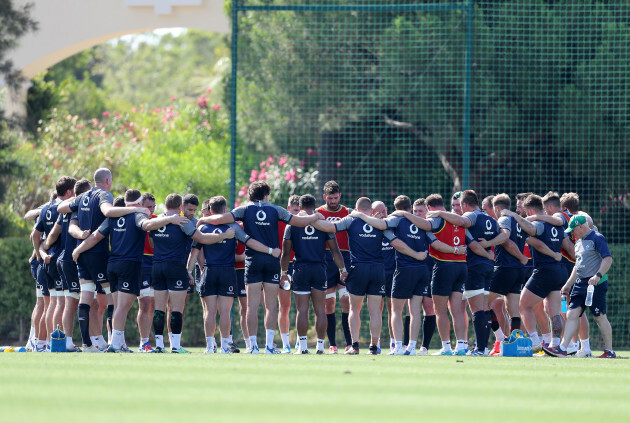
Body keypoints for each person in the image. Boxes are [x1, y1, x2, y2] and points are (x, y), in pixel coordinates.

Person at [196, 181, 321, 354]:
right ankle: (269, 346)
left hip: (252, 260)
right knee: (270, 305)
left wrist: (202, 218)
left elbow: (219, 219)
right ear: (265, 195)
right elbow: (299, 221)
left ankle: (252, 346)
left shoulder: (244, 210)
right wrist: (316, 216)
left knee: (251, 306)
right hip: (271, 260)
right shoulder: (275, 209)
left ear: (251, 194)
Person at [72, 189, 186, 352]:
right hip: (129, 265)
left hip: (113, 265)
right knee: (122, 308)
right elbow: (147, 225)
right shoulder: (137, 215)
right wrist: (170, 219)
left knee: (118, 306)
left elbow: (96, 236)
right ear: (139, 203)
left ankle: (120, 343)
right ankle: (116, 344)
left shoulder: (113, 217)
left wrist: (78, 250)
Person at [57, 168, 149, 352]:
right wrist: (137, 209)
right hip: (97, 253)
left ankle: (88, 344)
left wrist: (79, 245)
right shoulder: (104, 195)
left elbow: (60, 207)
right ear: (107, 180)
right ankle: (115, 341)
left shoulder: (82, 197)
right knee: (113, 297)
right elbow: (107, 212)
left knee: (86, 296)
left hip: (81, 254)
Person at [189, 196, 278, 354]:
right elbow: (249, 241)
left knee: (209, 311)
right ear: (224, 210)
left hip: (209, 270)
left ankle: (210, 347)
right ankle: (224, 346)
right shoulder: (233, 227)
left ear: (210, 211)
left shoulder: (202, 228)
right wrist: (270, 250)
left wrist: (195, 271)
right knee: (225, 312)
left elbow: (195, 252)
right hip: (227, 271)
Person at [313, 197, 394, 355]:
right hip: (378, 269)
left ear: (356, 209)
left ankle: (355, 346)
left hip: (359, 269)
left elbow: (330, 227)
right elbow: (395, 241)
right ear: (370, 210)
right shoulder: (379, 223)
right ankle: (373, 347)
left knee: (354, 309)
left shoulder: (351, 220)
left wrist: (308, 219)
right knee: (375, 311)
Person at [426, 190, 500, 355]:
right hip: (488, 267)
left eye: (459, 205)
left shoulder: (469, 218)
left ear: (465, 205)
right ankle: (482, 344)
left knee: (476, 309)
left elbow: (472, 243)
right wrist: (490, 253)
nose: (457, 209)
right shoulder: (492, 220)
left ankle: (478, 348)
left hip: (473, 266)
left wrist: (439, 213)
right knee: (483, 308)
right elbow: (502, 237)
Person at [384, 196, 453, 355]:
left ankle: (399, 347)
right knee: (414, 311)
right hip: (422, 270)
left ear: (397, 209)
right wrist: (456, 250)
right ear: (410, 208)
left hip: (404, 269)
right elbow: (435, 244)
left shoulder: (397, 221)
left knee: (396, 311)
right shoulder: (424, 226)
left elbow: (393, 239)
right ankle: (412, 347)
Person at [501, 194, 569, 352]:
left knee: (523, 306)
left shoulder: (538, 224)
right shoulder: (557, 225)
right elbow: (568, 246)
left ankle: (534, 341)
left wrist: (513, 216)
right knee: (555, 313)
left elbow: (533, 233)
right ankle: (555, 344)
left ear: (530, 210)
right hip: (560, 271)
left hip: (544, 270)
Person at [280, 194, 346, 354]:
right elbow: (335, 251)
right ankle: (320, 347)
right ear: (315, 206)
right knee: (320, 310)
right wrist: (342, 269)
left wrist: (283, 273)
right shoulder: (322, 224)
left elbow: (286, 253)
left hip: (301, 269)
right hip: (319, 270)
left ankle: (302, 348)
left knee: (302, 310)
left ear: (300, 207)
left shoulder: (292, 225)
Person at [543, 215, 615, 358]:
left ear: (581, 227)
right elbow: (578, 265)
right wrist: (568, 284)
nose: (572, 233)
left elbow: (608, 259)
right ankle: (563, 348)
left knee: (599, 316)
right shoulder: (578, 242)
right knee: (571, 314)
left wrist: (598, 275)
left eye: (573, 230)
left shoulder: (597, 238)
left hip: (596, 284)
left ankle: (609, 351)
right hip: (580, 284)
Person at [41, 178, 91, 351]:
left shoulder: (64, 208)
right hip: (70, 259)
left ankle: (54, 342)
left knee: (60, 302)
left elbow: (54, 233)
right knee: (70, 302)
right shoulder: (78, 206)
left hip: (60, 258)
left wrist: (43, 248)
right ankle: (68, 342)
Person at [33, 177, 76, 347]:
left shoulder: (45, 208)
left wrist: (39, 253)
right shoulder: (65, 208)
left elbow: (35, 235)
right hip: (59, 258)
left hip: (47, 260)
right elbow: (55, 234)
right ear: (69, 192)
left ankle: (41, 343)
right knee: (60, 303)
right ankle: (54, 343)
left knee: (48, 304)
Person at [487, 194, 529, 356]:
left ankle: (500, 339)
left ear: (497, 208)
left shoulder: (503, 219)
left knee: (482, 304)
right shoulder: (518, 221)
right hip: (518, 271)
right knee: (513, 310)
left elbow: (506, 240)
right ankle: (513, 344)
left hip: (505, 268)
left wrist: (488, 243)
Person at [316, 180, 353, 354]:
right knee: (328, 304)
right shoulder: (317, 213)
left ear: (340, 196)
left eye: (335, 198)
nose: (333, 201)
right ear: (324, 197)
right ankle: (332, 344)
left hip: (345, 258)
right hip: (325, 260)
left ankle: (349, 342)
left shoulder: (349, 212)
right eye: (330, 198)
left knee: (346, 301)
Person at [412, 198, 437, 354]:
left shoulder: (432, 227)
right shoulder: (407, 226)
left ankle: (424, 347)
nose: (417, 214)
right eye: (415, 211)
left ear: (428, 211)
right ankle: (407, 345)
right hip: (411, 271)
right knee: (410, 309)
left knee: (429, 308)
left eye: (420, 211)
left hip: (430, 271)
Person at [277, 195, 300, 353]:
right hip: (284, 267)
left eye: (300, 210)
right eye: (295, 210)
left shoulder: (307, 222)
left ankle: (300, 342)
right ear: (288, 209)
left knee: (302, 306)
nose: (297, 214)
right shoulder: (280, 223)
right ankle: (286, 344)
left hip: (301, 266)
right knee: (284, 306)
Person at [372, 201, 396, 353]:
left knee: (393, 309)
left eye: (383, 211)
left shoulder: (393, 225)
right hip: (378, 273)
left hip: (394, 273)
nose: (381, 214)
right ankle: (377, 343)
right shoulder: (370, 228)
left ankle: (394, 343)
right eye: (378, 212)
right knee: (377, 309)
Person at [137, 192, 157, 352]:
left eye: (153, 207)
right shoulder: (136, 218)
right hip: (141, 262)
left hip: (156, 263)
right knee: (144, 302)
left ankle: (154, 342)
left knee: (154, 304)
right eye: (148, 207)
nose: (151, 210)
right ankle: (143, 342)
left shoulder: (157, 219)